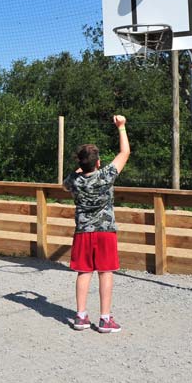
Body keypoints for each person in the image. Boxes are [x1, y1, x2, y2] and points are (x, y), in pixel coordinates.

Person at [63, 115, 129, 333]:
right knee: (105, 272)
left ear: (80, 163)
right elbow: (124, 152)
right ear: (98, 162)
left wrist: (78, 170)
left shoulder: (74, 180)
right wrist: (121, 127)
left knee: (84, 272)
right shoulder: (106, 175)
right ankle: (105, 318)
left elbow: (65, 184)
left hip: (83, 231)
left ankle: (80, 316)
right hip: (105, 231)